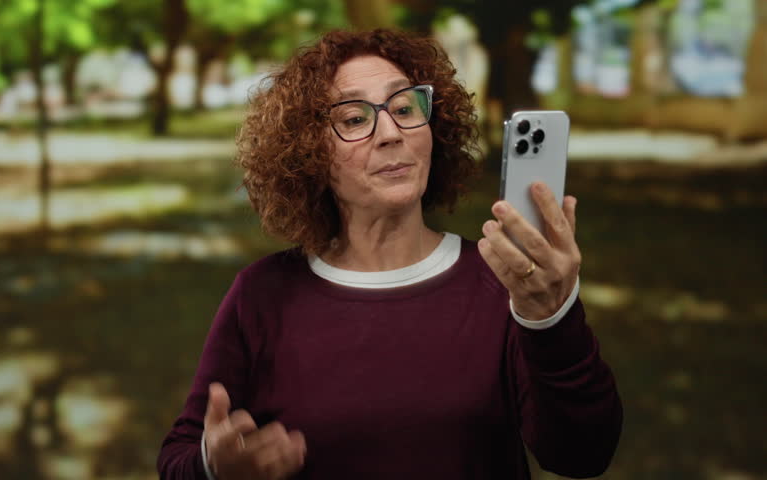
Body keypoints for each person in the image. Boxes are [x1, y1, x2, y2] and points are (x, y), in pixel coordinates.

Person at [157, 29, 623, 480]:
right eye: (355, 118)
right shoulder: (261, 295)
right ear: (308, 152)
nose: (391, 133)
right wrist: (214, 469)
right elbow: (179, 459)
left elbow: (583, 454)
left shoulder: (507, 284)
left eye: (405, 107)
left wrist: (550, 318)